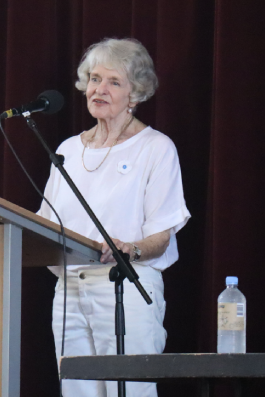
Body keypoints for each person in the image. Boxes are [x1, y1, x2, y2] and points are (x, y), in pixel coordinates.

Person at [37, 38, 191, 397]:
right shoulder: (67, 151)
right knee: (77, 391)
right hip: (70, 291)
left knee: (131, 392)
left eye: (113, 82)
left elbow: (162, 235)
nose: (99, 89)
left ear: (135, 95)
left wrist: (128, 249)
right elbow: (44, 223)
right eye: (93, 79)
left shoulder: (156, 148)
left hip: (127, 286)